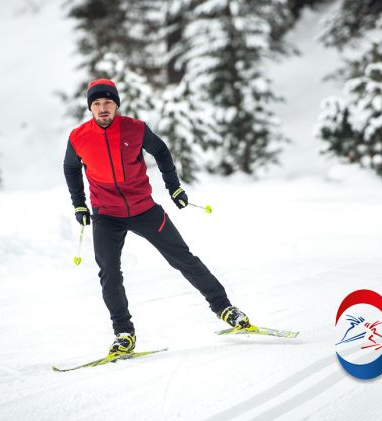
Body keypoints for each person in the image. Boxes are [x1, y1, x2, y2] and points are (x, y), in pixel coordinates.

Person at [63, 79, 251, 355]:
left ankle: (226, 309)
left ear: (116, 104)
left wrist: (173, 186)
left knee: (184, 258)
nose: (103, 108)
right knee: (110, 274)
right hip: (106, 214)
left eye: (108, 102)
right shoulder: (79, 137)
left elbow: (161, 151)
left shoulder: (135, 129)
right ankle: (124, 333)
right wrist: (79, 204)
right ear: (91, 108)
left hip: (144, 209)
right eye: (97, 104)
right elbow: (70, 169)